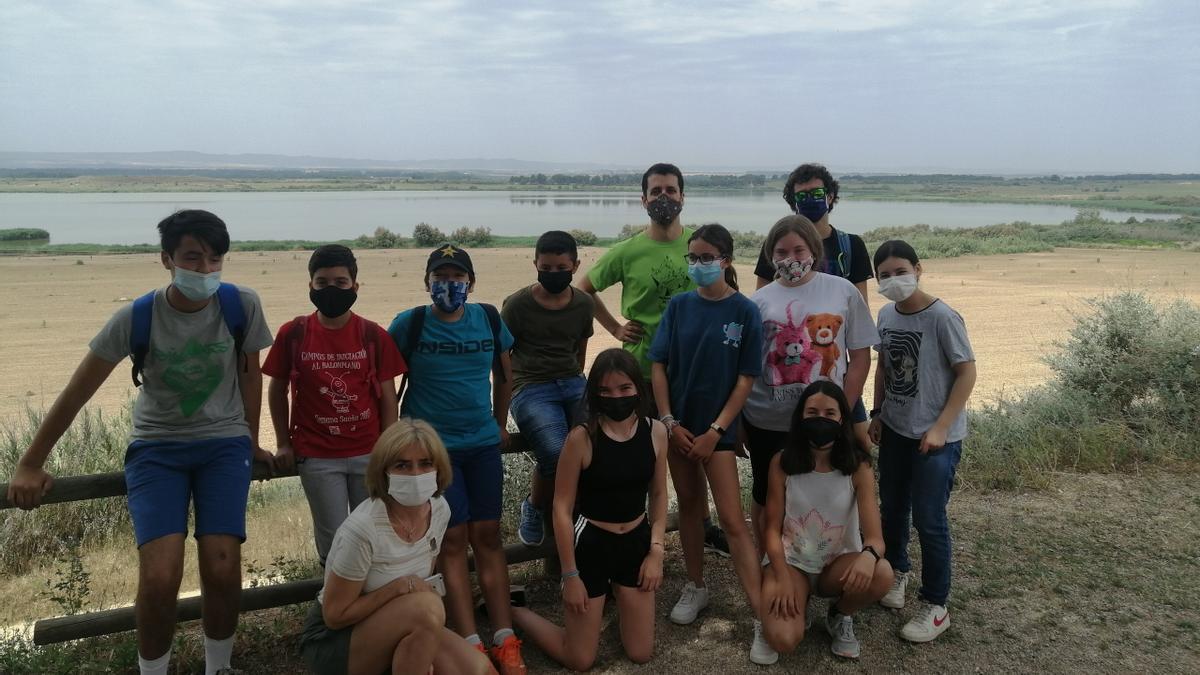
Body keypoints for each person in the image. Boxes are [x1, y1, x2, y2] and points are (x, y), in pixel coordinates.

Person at [5, 210, 274, 675]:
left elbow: (251, 379)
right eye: (193, 257)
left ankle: (220, 667)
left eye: (216, 259)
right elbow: (77, 390)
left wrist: (250, 441)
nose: (206, 270)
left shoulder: (241, 305)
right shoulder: (137, 316)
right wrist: (31, 462)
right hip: (157, 450)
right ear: (166, 259)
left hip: (224, 446)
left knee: (224, 563)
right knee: (158, 575)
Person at [387, 244, 526, 674]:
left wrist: (500, 423)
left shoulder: (487, 318)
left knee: (487, 535)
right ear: (426, 282)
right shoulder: (408, 325)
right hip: (431, 452)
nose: (449, 285)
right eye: (440, 277)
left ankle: (504, 637)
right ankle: (470, 642)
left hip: (482, 445)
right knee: (451, 539)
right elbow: (381, 380)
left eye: (457, 277)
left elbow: (505, 374)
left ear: (471, 283)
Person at [579, 162, 728, 556]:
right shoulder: (628, 251)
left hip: (695, 376)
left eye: (671, 190)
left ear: (683, 196)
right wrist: (613, 328)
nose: (664, 198)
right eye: (656, 191)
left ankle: (703, 529)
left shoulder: (700, 246)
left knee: (697, 459)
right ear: (643, 198)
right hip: (642, 375)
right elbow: (583, 288)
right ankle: (640, 542)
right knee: (643, 463)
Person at [647, 224, 766, 657]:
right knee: (691, 509)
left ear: (726, 260)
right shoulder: (678, 307)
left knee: (733, 520)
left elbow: (746, 378)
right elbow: (658, 365)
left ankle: (760, 613)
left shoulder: (745, 311)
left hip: (719, 434)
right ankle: (695, 586)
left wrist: (716, 431)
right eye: (692, 258)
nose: (698, 265)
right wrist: (668, 420)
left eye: (706, 257)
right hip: (678, 427)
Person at [512, 348, 668, 671]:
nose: (616, 397)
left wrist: (656, 551)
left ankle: (615, 600)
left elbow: (658, 493)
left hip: (636, 541)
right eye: (606, 391)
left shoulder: (655, 432)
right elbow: (561, 508)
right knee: (579, 659)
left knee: (640, 652)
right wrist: (570, 575)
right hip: (592, 543)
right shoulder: (581, 438)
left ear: (637, 388)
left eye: (624, 389)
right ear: (595, 394)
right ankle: (511, 610)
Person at [299, 418, 495, 675]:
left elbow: (423, 582)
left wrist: (421, 648)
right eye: (402, 465)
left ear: (439, 468)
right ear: (384, 471)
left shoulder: (439, 510)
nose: (416, 475)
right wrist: (397, 588)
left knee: (482, 671)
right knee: (428, 606)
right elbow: (334, 615)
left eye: (425, 463)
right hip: (336, 642)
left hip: (403, 624)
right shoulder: (363, 529)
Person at [743, 216, 878, 560]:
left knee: (830, 488)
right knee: (764, 491)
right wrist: (742, 420)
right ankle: (769, 560)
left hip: (826, 419)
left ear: (814, 251)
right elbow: (748, 366)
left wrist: (843, 410)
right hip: (767, 418)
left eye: (799, 249)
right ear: (770, 256)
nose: (791, 258)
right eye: (781, 251)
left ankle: (833, 559)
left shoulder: (842, 290)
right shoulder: (759, 301)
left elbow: (860, 356)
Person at [262, 244, 406, 565]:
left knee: (372, 536)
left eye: (340, 283)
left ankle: (371, 609)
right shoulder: (294, 333)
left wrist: (387, 450)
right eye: (322, 282)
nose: (331, 289)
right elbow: (276, 390)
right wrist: (284, 443)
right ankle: (337, 611)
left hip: (367, 454)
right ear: (310, 286)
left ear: (355, 286)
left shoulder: (373, 335)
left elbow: (387, 396)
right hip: (316, 457)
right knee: (335, 543)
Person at [869, 239, 976, 643]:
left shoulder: (943, 317)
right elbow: (883, 367)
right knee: (892, 508)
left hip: (936, 438)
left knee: (929, 519)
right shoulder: (885, 314)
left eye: (900, 271)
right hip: (895, 429)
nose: (894, 280)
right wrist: (877, 413)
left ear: (918, 268)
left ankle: (936, 605)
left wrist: (941, 427)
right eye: (885, 275)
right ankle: (898, 571)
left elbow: (966, 373)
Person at [759, 381, 894, 663]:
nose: (821, 419)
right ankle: (796, 601)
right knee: (784, 639)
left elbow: (875, 539)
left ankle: (839, 614)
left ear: (842, 418)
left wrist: (869, 557)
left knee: (882, 573)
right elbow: (770, 529)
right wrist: (782, 577)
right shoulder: (781, 463)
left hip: (836, 566)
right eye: (812, 412)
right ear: (800, 417)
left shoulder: (859, 467)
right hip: (791, 563)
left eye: (830, 413)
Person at [754, 164, 875, 452]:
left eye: (817, 193)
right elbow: (762, 308)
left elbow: (860, 312)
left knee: (858, 446)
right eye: (802, 195)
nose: (810, 199)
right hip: (786, 376)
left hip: (835, 368)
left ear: (831, 196)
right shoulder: (777, 243)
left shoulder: (850, 245)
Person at [501, 231, 594, 547]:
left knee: (599, 446)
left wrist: (574, 381)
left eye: (561, 267)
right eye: (546, 267)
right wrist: (505, 400)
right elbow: (502, 359)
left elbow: (580, 349)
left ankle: (585, 515)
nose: (553, 274)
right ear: (535, 265)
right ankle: (536, 506)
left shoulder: (583, 304)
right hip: (530, 386)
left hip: (572, 382)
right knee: (555, 450)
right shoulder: (516, 305)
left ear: (575, 265)